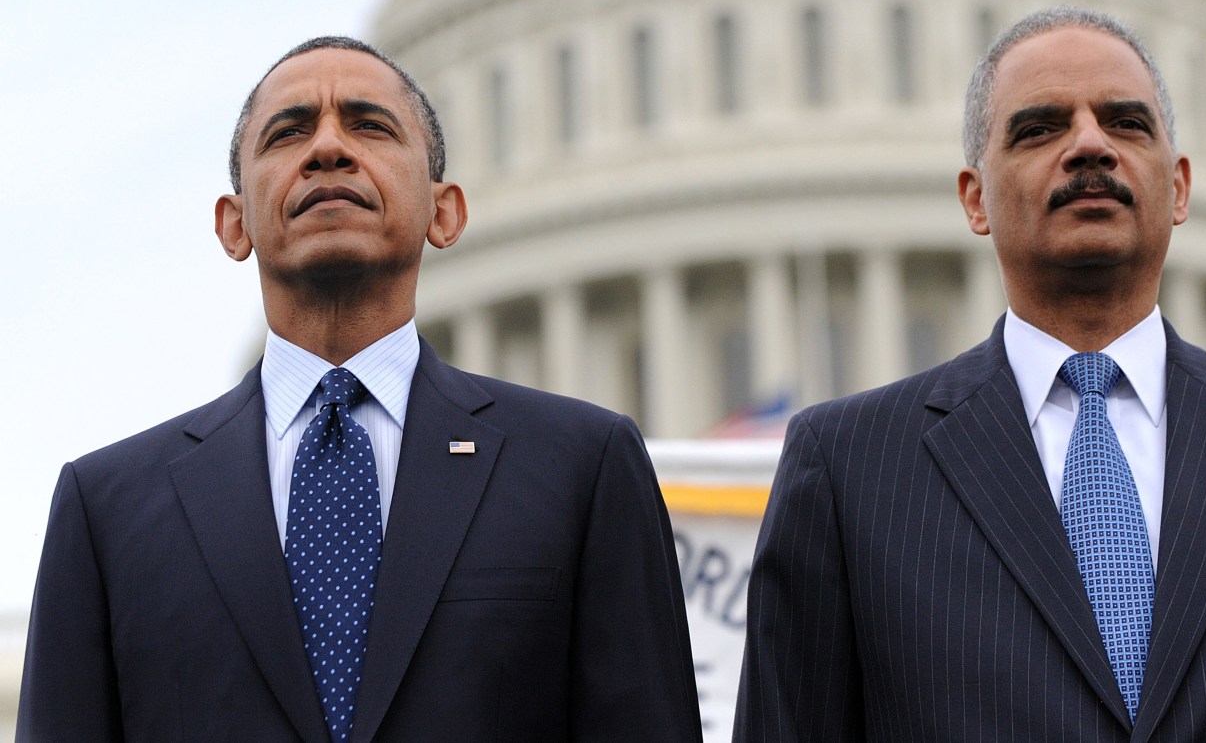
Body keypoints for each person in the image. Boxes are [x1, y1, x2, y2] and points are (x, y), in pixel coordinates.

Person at [734, 6, 1206, 741]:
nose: (1090, 145)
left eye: (1127, 123)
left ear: (1180, 187)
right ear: (974, 198)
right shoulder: (850, 470)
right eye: (1040, 128)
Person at [19, 37, 702, 742]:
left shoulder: (580, 468)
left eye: (369, 125)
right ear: (234, 225)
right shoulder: (107, 509)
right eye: (288, 133)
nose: (327, 150)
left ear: (446, 213)